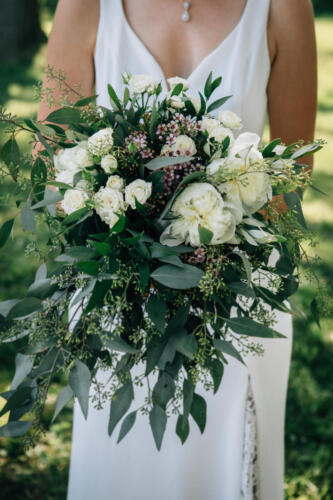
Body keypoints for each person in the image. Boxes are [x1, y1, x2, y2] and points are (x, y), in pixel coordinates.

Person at [37, 1, 317, 499]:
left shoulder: (282, 6)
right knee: (123, 464)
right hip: (117, 290)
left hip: (236, 291)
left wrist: (206, 244)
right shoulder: (85, 5)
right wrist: (132, 237)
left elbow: (293, 173)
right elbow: (53, 165)